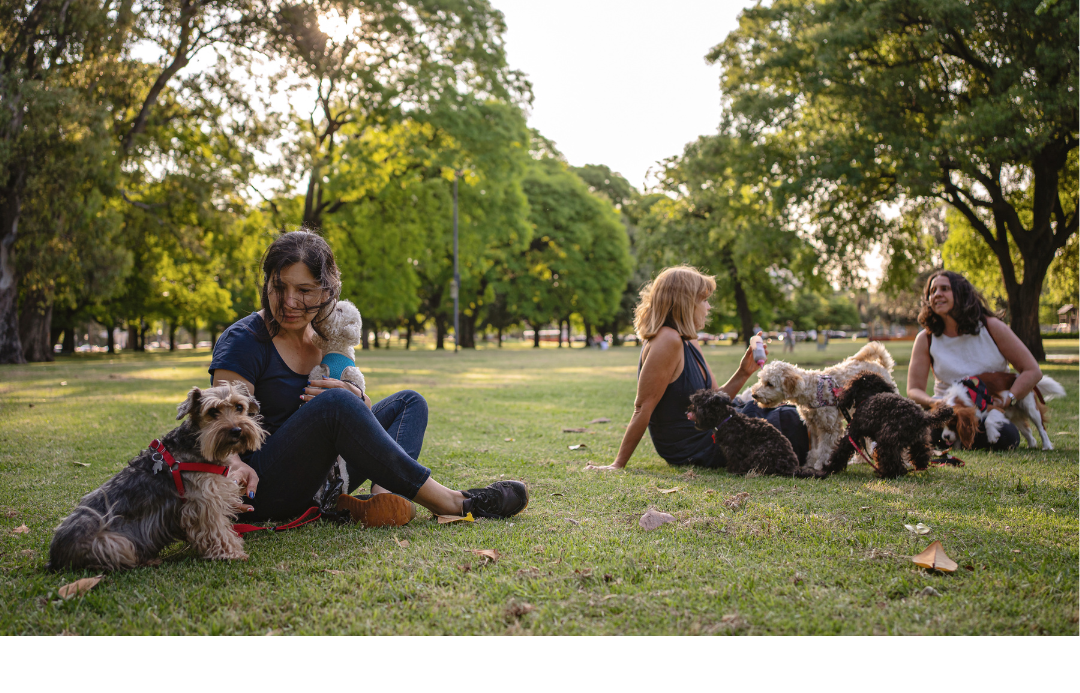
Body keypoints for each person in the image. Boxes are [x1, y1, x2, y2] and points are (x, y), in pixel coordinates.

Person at [210, 230, 527, 524]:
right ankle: (454, 503)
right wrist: (234, 464)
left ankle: (383, 500)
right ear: (266, 283)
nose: (290, 302)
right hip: (262, 489)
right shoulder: (244, 340)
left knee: (409, 402)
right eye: (279, 287)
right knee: (335, 403)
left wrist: (357, 397)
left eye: (304, 290)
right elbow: (219, 421)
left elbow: (355, 417)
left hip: (324, 480)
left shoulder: (322, 336)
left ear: (327, 290)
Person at [583, 266, 809, 471]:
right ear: (685, 302)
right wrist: (617, 465)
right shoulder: (666, 340)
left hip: (715, 429)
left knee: (787, 411)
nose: (709, 307)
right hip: (692, 445)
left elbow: (717, 401)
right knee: (788, 418)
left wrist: (743, 372)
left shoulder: (688, 339)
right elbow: (643, 407)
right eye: (703, 300)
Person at [906, 269, 1041, 450]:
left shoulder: (992, 327)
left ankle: (962, 440)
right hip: (948, 415)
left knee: (1005, 437)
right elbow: (914, 389)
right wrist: (934, 403)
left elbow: (1033, 371)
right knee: (924, 432)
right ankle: (956, 438)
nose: (937, 294)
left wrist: (1009, 398)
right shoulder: (926, 338)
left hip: (987, 412)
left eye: (944, 288)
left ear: (961, 294)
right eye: (932, 291)